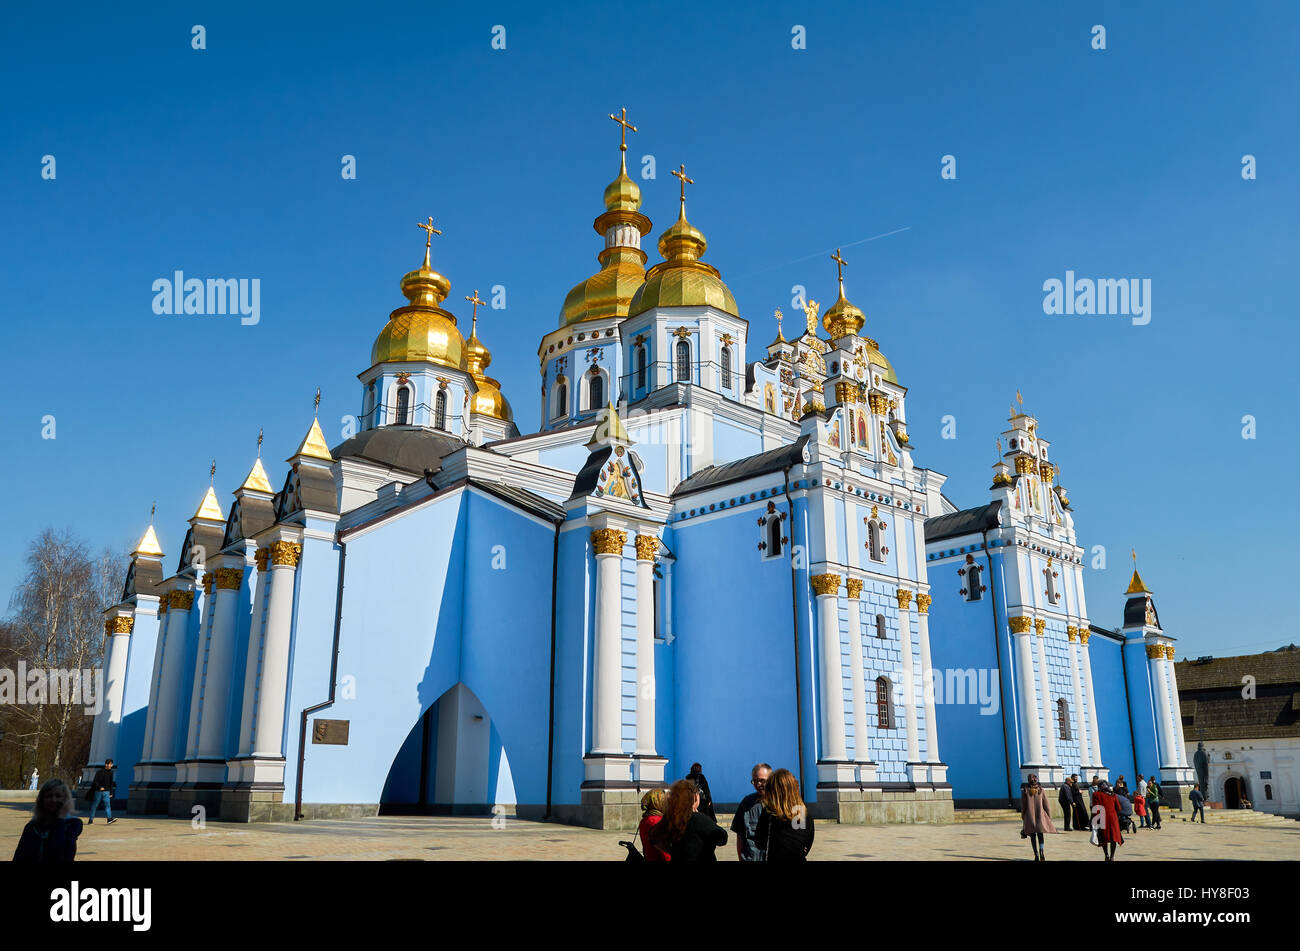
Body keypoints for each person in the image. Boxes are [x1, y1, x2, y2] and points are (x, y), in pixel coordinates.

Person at [649, 778, 727, 861]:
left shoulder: (670, 818)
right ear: (695, 797)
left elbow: (653, 838)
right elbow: (723, 838)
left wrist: (671, 851)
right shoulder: (698, 819)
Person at [12, 779, 82, 862]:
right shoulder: (32, 826)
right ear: (42, 800)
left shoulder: (72, 824)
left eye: (58, 796)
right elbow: (19, 856)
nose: (53, 800)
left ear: (65, 800)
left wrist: (60, 819)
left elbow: (62, 854)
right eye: (49, 796)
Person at [755, 768, 815, 861]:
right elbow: (802, 844)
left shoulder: (770, 812)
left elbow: (759, 842)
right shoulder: (800, 812)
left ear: (774, 791)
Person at [730, 762, 771, 861]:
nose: (758, 784)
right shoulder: (746, 803)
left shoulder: (781, 803)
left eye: (762, 780)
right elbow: (740, 835)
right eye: (755, 781)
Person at [1020, 774, 1057, 861]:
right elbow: (1046, 804)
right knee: (1040, 835)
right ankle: (1041, 852)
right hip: (1040, 816)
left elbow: (1024, 806)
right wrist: (1048, 816)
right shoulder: (1041, 790)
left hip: (1030, 816)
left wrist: (1023, 815)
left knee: (1032, 836)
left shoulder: (1025, 791)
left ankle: (1036, 854)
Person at [1092, 780, 1123, 861]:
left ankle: (1106, 855)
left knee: (1104, 838)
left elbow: (1095, 808)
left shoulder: (1096, 794)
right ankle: (1112, 856)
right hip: (1113, 818)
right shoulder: (1113, 795)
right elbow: (1119, 808)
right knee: (1113, 838)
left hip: (1102, 817)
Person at [637, 788, 670, 861]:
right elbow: (664, 851)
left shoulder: (646, 819)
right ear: (658, 802)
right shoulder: (655, 821)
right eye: (664, 800)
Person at [88, 759, 118, 824]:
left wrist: (111, 792)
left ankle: (109, 819)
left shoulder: (111, 772)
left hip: (107, 792)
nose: (111, 765)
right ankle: (90, 820)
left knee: (108, 805)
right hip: (98, 792)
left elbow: (111, 783)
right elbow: (95, 781)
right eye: (109, 764)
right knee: (95, 805)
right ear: (106, 764)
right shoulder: (100, 772)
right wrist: (99, 787)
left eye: (111, 764)